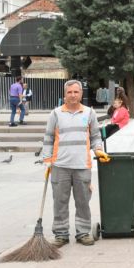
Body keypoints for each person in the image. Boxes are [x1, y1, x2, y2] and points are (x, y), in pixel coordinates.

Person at [42, 80, 109, 247]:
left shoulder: (89, 113)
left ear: (81, 94)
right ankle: (61, 234)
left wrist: (98, 150)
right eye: (69, 92)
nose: (73, 95)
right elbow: (48, 138)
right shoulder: (56, 114)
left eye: (76, 92)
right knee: (60, 201)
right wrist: (47, 160)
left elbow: (95, 136)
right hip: (60, 166)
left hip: (82, 165)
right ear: (65, 94)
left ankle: (83, 232)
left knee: (83, 201)